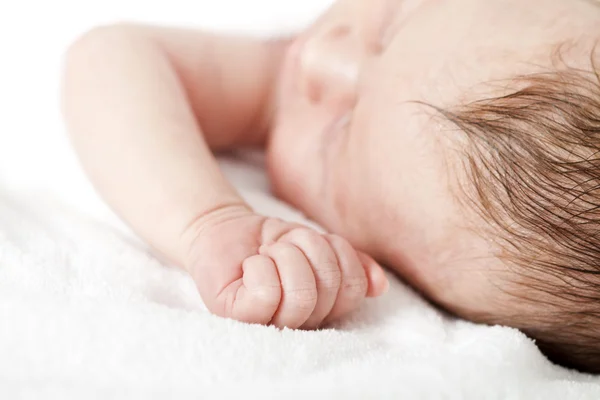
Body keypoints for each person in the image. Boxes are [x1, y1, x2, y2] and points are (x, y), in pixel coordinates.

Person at [62, 0, 600, 373]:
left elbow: (110, 59)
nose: (321, 56)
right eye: (394, 21)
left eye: (338, 140)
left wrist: (208, 220)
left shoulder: (281, 87)